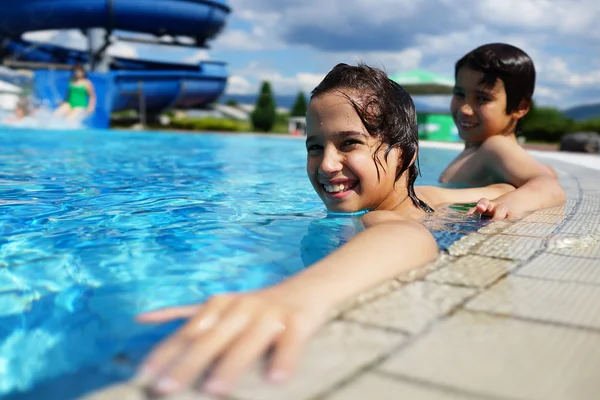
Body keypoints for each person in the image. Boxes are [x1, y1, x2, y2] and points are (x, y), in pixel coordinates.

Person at [133, 63, 558, 397]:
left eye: (349, 143)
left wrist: (295, 296)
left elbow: (403, 237)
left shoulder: (376, 219)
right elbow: (503, 187)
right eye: (315, 147)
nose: (327, 164)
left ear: (403, 156)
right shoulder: (429, 197)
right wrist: (507, 196)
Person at [439, 43, 565, 220]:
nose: (464, 109)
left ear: (520, 107)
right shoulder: (479, 149)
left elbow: (550, 186)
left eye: (482, 98)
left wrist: (506, 205)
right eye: (459, 94)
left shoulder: (496, 146)